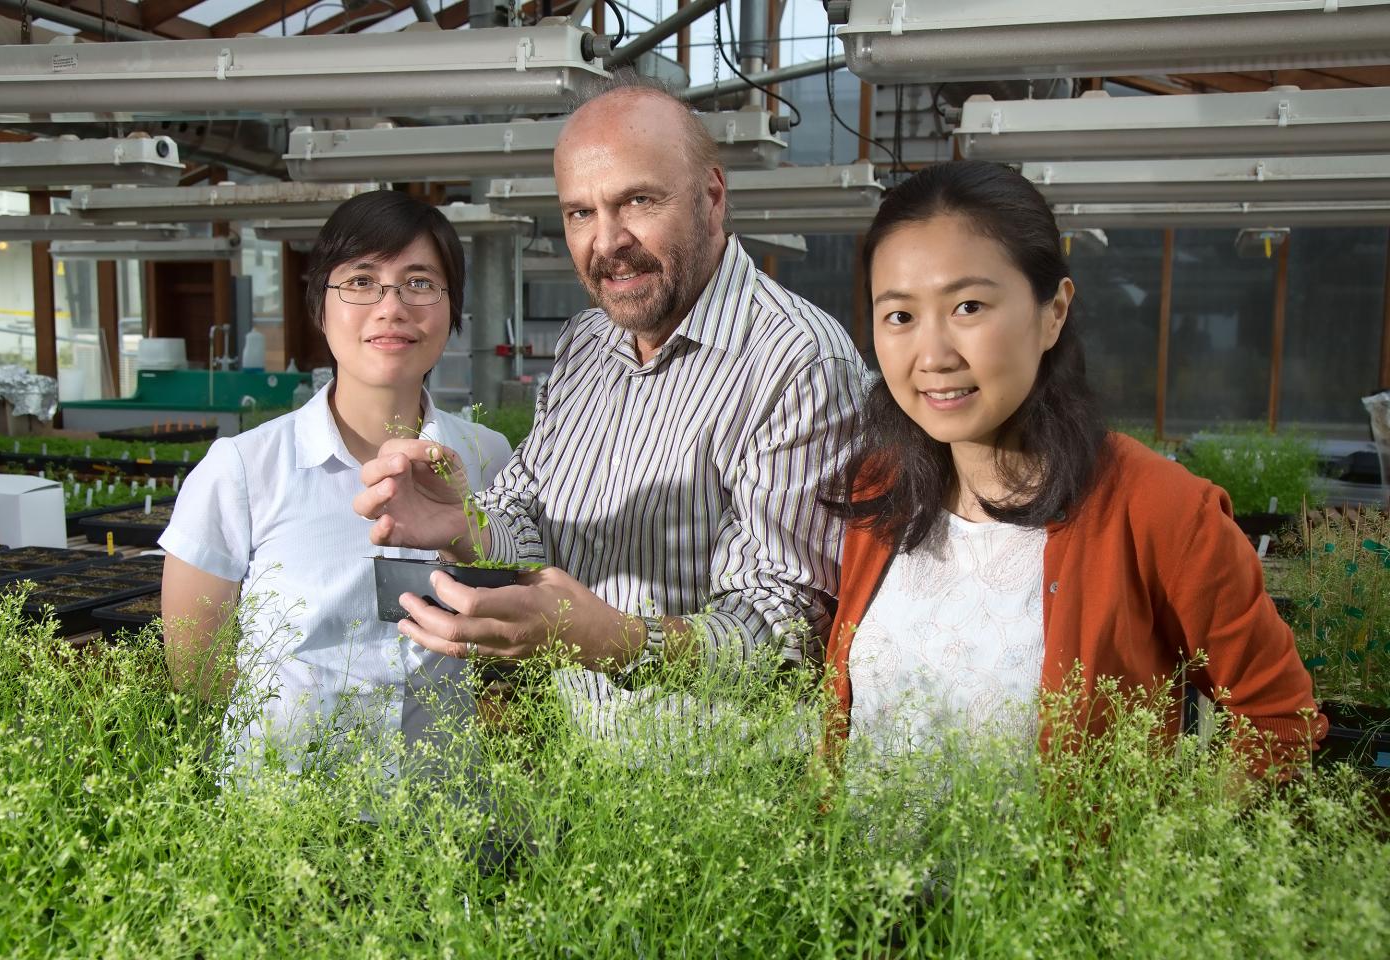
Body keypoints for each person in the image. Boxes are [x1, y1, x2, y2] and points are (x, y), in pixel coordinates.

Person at [353, 77, 865, 735]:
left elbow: (787, 635)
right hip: (584, 789)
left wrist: (618, 641)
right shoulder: (586, 343)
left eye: (639, 201)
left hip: (727, 807)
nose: (608, 240)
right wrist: (467, 524)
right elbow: (531, 509)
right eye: (580, 213)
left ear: (712, 197)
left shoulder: (795, 361)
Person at [822, 161, 1324, 774]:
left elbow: (1278, 718)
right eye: (899, 315)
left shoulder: (1158, 509)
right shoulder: (879, 491)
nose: (933, 355)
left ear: (1053, 311)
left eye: (969, 306)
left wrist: (1160, 854)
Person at [160, 190, 512, 777]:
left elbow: (508, 623)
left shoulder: (485, 457)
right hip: (288, 811)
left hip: (441, 811)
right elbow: (198, 668)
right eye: (361, 281)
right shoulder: (243, 470)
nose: (391, 307)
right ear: (320, 308)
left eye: (420, 282)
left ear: (454, 312)